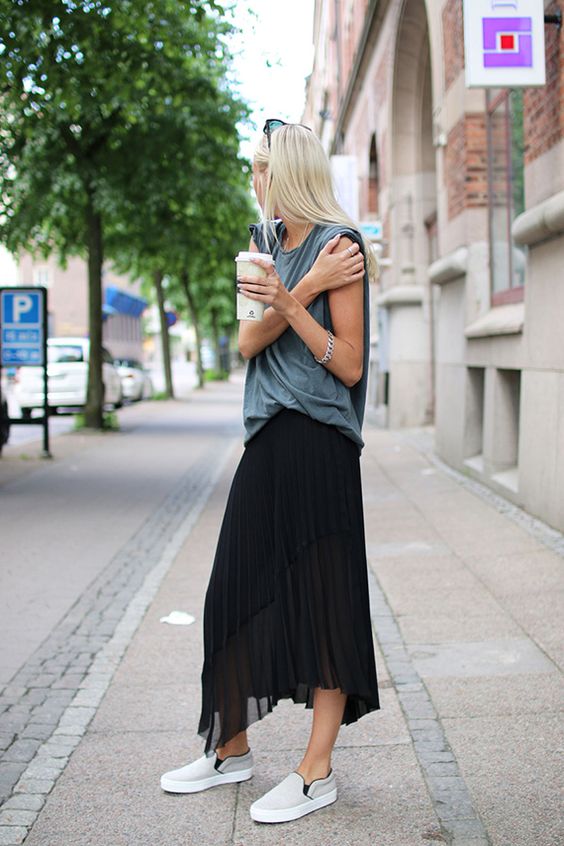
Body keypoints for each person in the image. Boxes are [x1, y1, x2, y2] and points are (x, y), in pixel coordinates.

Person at [160, 119, 381, 824]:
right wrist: (294, 292)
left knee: (326, 603)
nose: (253, 181)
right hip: (267, 439)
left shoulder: (341, 247)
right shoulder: (259, 248)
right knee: (232, 591)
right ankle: (231, 748)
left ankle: (316, 771)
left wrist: (294, 298)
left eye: (259, 169)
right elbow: (247, 342)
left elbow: (347, 364)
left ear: (283, 173)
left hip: (320, 442)